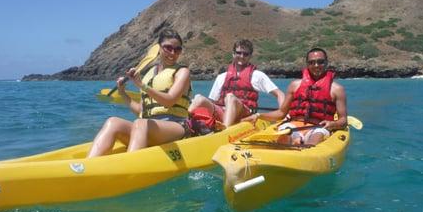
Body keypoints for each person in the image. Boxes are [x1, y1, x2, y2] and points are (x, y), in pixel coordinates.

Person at [87, 29, 191, 157]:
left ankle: (128, 169)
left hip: (176, 126)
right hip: (148, 127)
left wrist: (142, 85)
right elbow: (141, 110)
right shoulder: (149, 74)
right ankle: (88, 165)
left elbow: (169, 101)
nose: (173, 53)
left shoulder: (182, 72)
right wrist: (122, 93)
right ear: (159, 48)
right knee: (113, 122)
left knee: (140, 123)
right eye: (168, 48)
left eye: (177, 49)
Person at [244, 47, 347, 145]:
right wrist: (258, 116)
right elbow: (281, 113)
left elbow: (343, 120)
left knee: (316, 137)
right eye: (312, 62)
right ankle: (290, 146)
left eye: (320, 62)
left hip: (318, 127)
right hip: (293, 125)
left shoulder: (337, 89)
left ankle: (305, 153)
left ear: (326, 63)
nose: (316, 65)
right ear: (307, 64)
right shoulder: (295, 85)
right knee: (285, 135)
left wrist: (332, 124)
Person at [187, 39, 284, 127]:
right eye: (239, 53)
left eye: (245, 54)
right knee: (198, 98)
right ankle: (185, 124)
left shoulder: (257, 75)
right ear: (233, 54)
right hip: (223, 112)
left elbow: (279, 94)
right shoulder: (222, 77)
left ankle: (225, 129)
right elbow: (213, 102)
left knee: (230, 97)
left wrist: (283, 113)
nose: (242, 56)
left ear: (250, 56)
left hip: (244, 114)